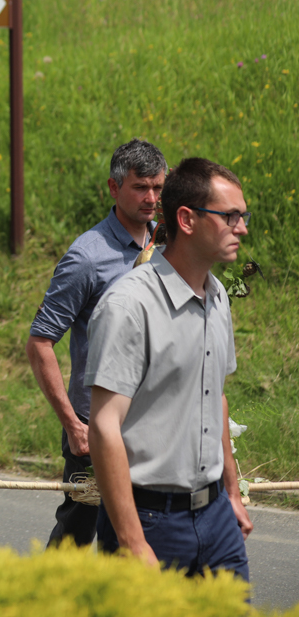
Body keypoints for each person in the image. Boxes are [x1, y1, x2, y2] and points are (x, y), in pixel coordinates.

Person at [87, 157, 253, 578]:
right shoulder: (128, 306)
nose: (243, 228)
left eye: (243, 216)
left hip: (217, 518)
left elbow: (216, 398)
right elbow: (104, 426)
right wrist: (131, 539)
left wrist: (231, 493)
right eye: (231, 216)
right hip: (148, 522)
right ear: (187, 219)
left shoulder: (218, 298)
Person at [25, 138, 167, 547]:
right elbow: (40, 343)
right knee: (77, 533)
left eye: (158, 188)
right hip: (97, 427)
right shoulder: (87, 257)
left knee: (136, 537)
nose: (151, 198)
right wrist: (73, 424)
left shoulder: (166, 246)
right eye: (141, 187)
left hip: (151, 425)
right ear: (113, 188)